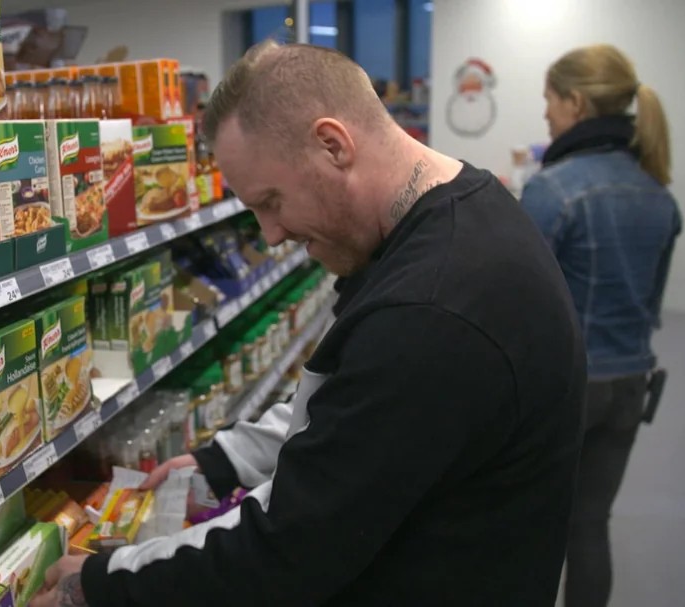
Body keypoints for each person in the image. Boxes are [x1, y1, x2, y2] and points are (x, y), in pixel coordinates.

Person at [30, 41, 586, 607]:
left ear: (332, 144)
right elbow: (354, 409)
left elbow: (288, 551)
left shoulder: (430, 314)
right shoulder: (463, 208)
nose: (270, 234)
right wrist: (227, 460)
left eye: (271, 201)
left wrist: (100, 583)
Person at [520, 44, 682, 607]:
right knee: (590, 524)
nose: (545, 113)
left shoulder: (552, 189)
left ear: (576, 103)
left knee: (529, 525)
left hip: (569, 387)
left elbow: (521, 302)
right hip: (631, 386)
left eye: (549, 100)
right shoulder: (660, 195)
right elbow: (652, 304)